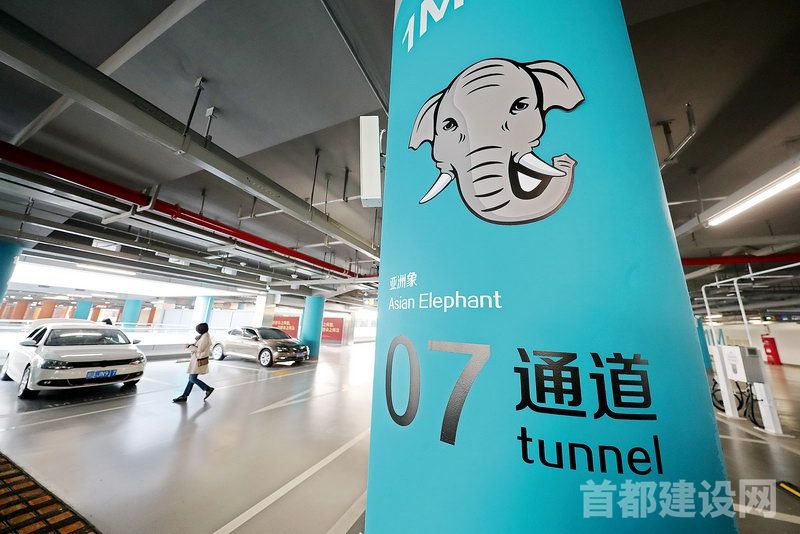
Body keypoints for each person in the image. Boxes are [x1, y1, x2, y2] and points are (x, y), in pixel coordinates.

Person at [173, 323, 214, 403]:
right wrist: (191, 345)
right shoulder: (204, 336)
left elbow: (199, 349)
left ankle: (208, 389)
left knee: (192, 379)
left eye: (198, 330)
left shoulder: (205, 338)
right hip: (198, 359)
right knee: (191, 379)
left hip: (198, 360)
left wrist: (189, 347)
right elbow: (199, 346)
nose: (197, 331)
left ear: (201, 330)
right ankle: (184, 396)